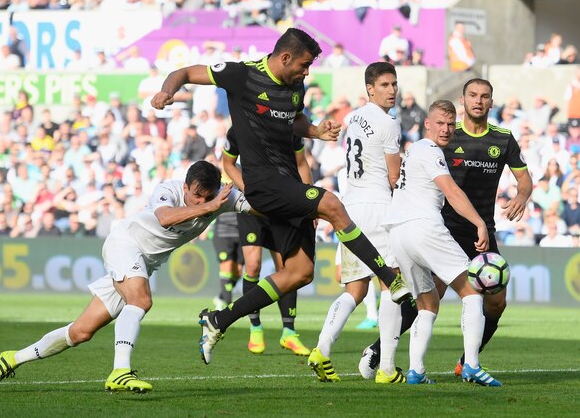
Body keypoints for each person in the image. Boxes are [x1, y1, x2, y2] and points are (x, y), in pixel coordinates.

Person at [151, 27, 409, 366]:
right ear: (284, 57)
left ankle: (219, 320)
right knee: (331, 203)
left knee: (300, 272)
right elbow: (183, 72)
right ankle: (391, 277)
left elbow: (294, 120)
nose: (306, 73)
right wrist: (166, 91)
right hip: (262, 183)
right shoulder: (240, 75)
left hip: (289, 183)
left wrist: (316, 130)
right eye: (303, 65)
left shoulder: (294, 86)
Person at [0, 161, 254, 393]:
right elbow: (164, 218)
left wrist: (290, 206)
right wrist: (210, 208)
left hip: (143, 262)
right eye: (197, 195)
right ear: (185, 187)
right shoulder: (168, 190)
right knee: (141, 300)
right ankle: (120, 371)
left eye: (208, 197)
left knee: (80, 332)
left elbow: (256, 206)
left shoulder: (221, 197)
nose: (202, 201)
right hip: (125, 243)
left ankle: (12, 358)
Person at [359, 79, 532, 382]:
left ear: (491, 102)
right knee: (431, 297)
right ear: (463, 101)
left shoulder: (502, 138)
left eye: (485, 96)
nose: (478, 101)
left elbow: (524, 178)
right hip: (443, 227)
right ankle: (379, 350)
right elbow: (439, 188)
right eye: (473, 96)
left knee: (496, 300)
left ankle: (464, 361)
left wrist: (521, 194)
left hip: (481, 232)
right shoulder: (444, 136)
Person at [382, 99, 501, 386]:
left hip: (399, 232)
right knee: (473, 290)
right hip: (423, 227)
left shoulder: (413, 151)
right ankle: (471, 365)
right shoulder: (429, 149)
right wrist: (479, 222)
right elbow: (451, 191)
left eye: (450, 124)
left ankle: (416, 371)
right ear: (427, 124)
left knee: (427, 302)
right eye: (440, 123)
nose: (446, 129)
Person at [309, 62, 406, 383]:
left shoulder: (353, 117)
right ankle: (387, 369)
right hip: (377, 207)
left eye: (394, 84)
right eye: (385, 85)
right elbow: (394, 176)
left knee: (355, 288)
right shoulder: (389, 124)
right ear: (370, 88)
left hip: (350, 210)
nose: (392, 90)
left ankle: (322, 349)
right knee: (392, 284)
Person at [223, 127, 311, 356]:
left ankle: (289, 332)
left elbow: (301, 163)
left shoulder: (287, 124)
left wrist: (309, 200)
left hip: (284, 203)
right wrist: (251, 192)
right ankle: (255, 327)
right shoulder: (241, 127)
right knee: (252, 265)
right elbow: (228, 164)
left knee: (287, 268)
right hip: (254, 206)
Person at [211, 211, 244, 311]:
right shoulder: (222, 195)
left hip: (241, 233)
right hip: (223, 233)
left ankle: (220, 297)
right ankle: (230, 306)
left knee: (238, 272)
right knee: (227, 267)